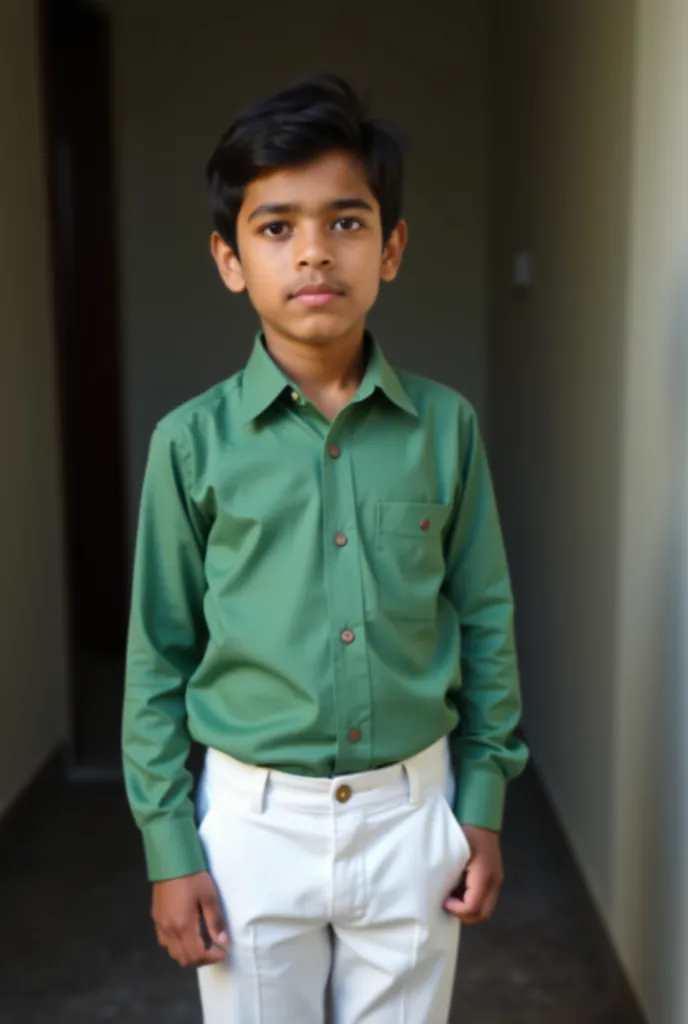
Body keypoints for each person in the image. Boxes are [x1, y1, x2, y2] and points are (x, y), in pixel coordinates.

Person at [122, 72, 528, 1023]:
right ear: (229, 259)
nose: (314, 252)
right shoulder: (191, 444)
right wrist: (169, 850)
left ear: (390, 248)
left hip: (411, 815)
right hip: (252, 827)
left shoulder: (446, 429)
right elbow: (158, 657)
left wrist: (482, 803)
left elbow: (485, 617)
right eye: (276, 228)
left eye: (346, 223)